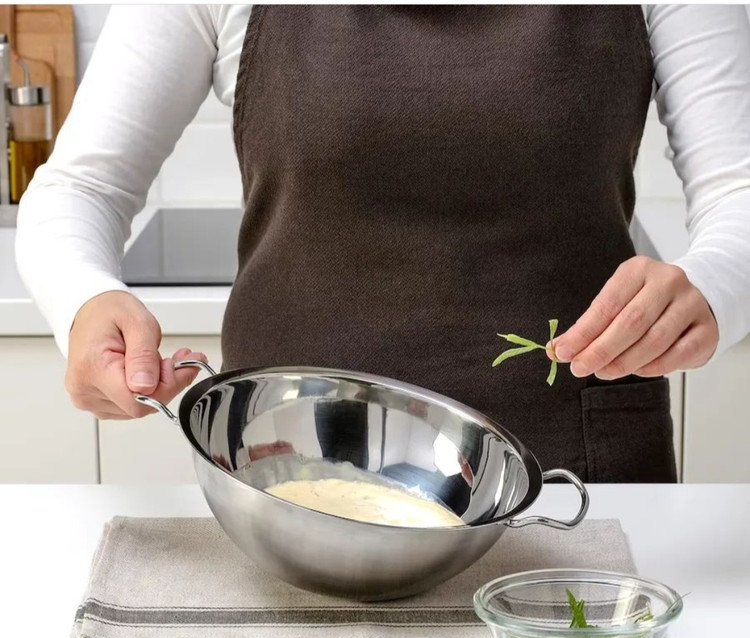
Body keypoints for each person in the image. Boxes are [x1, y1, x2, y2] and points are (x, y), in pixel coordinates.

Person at [14, 5, 750, 483]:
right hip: (290, 481)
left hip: (575, 487)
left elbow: (738, 191)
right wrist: (84, 301)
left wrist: (713, 287)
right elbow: (82, 188)